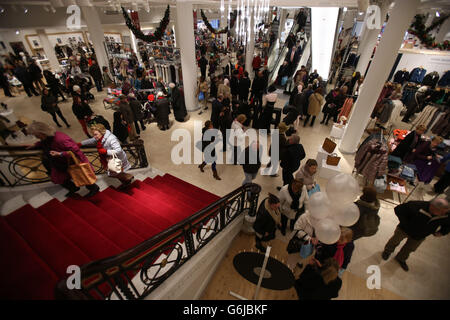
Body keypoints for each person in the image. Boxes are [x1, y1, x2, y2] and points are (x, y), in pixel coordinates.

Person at [27, 121, 99, 197]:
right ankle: (73, 188)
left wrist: (60, 154)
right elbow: (44, 142)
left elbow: (75, 151)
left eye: (36, 135)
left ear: (42, 132)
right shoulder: (48, 137)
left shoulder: (60, 139)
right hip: (60, 163)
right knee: (60, 178)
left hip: (71, 162)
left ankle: (93, 188)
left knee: (82, 176)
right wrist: (35, 145)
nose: (36, 137)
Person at [382, 198, 450, 271]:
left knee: (410, 248)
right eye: (442, 212)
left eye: (445, 212)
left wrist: (442, 232)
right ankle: (387, 251)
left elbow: (448, 224)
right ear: (433, 207)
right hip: (404, 230)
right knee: (394, 241)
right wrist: (406, 224)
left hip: (420, 236)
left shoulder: (445, 214)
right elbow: (398, 209)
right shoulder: (417, 205)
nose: (444, 214)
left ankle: (401, 258)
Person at [80, 123, 134, 188]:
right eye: (93, 135)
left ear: (101, 132)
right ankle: (126, 182)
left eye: (95, 134)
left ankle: (127, 177)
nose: (94, 136)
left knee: (114, 174)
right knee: (114, 173)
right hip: (110, 159)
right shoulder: (100, 137)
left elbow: (118, 150)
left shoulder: (111, 139)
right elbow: (92, 140)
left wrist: (106, 151)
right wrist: (81, 143)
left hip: (117, 159)